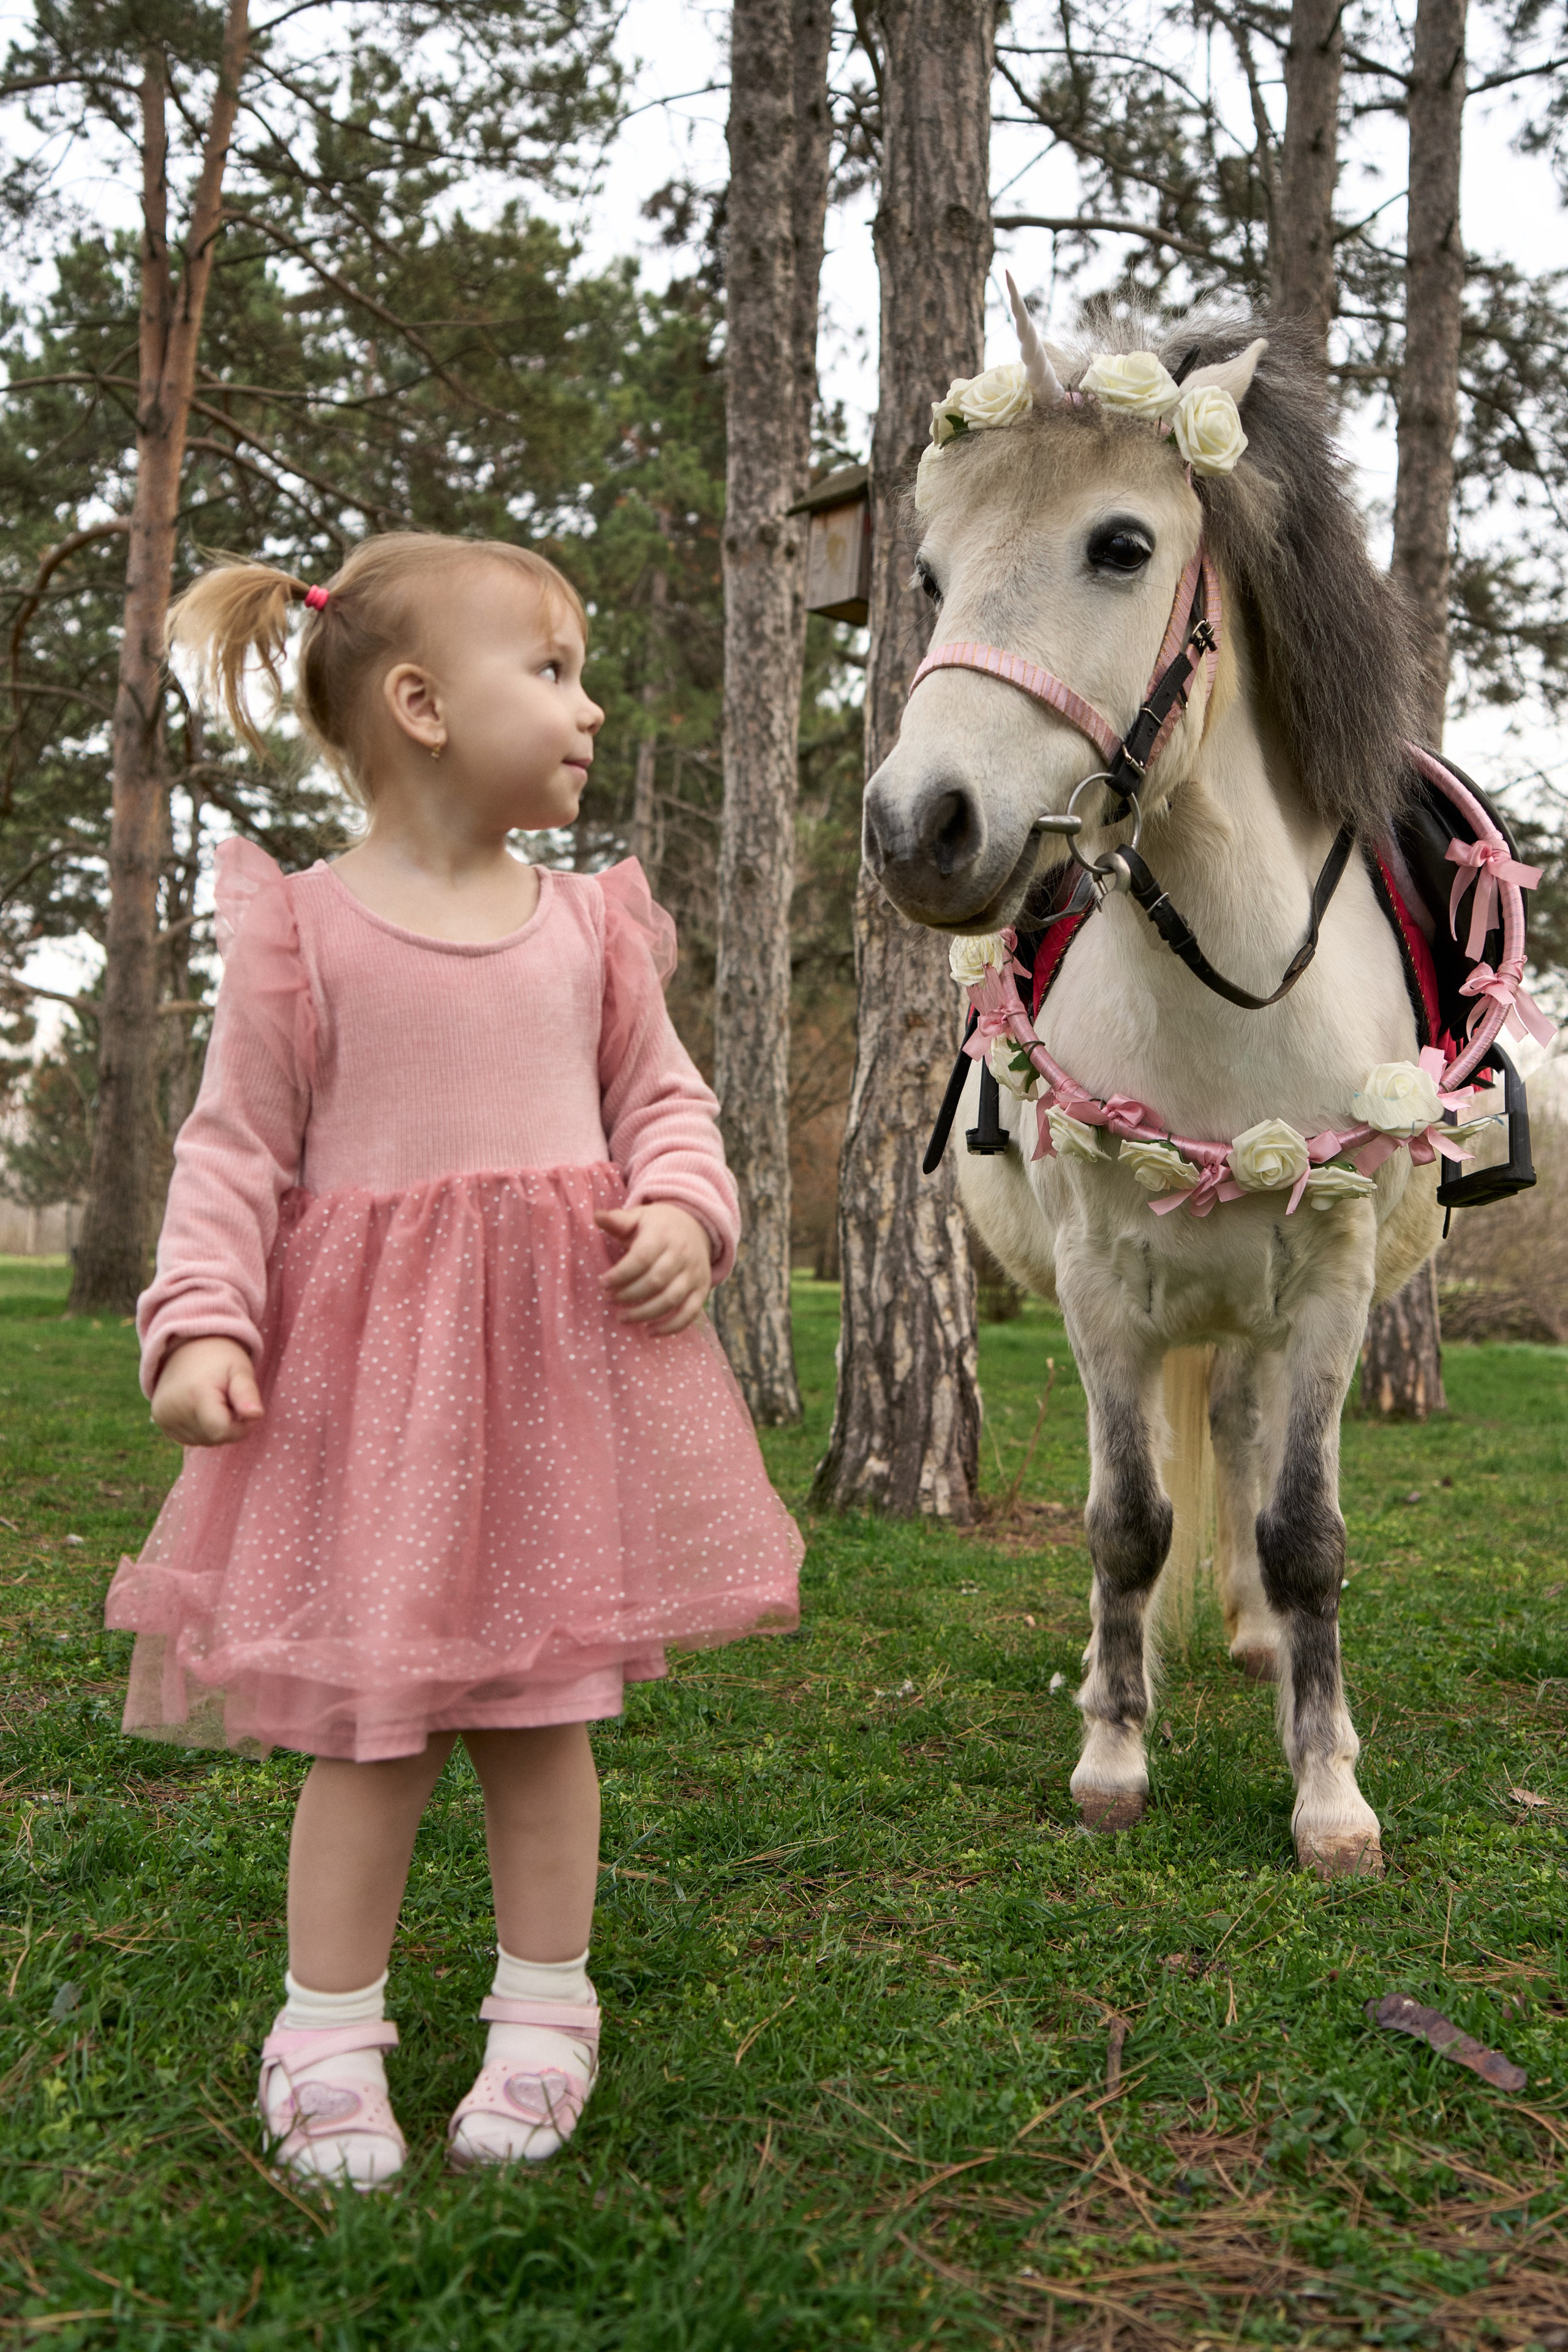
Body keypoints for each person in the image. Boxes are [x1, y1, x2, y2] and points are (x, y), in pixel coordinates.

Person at [105, 535, 803, 2190]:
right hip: (371, 1407)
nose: (590, 706)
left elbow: (667, 1104)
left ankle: (546, 2008)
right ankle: (324, 2029)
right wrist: (198, 1319)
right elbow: (233, 1152)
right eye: (552, 671)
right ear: (422, 705)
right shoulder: (305, 935)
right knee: (374, 1731)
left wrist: (687, 1210)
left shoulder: (587, 929)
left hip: (553, 1392)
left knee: (543, 1718)